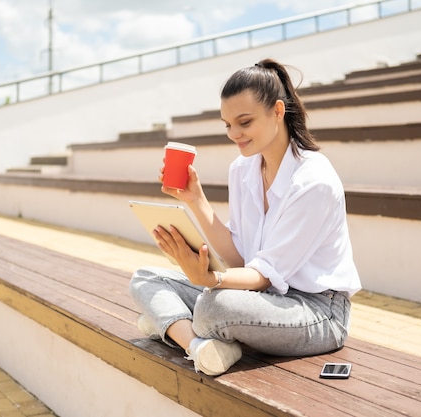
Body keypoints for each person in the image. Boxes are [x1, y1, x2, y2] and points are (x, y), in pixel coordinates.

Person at [129, 58, 361, 376]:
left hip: (316, 311)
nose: (234, 134)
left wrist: (211, 280)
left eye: (244, 122)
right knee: (147, 278)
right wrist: (196, 200)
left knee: (215, 305)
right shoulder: (242, 169)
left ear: (277, 111)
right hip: (259, 296)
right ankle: (198, 346)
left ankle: (172, 326)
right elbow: (239, 257)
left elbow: (266, 274)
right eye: (227, 124)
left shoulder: (313, 181)